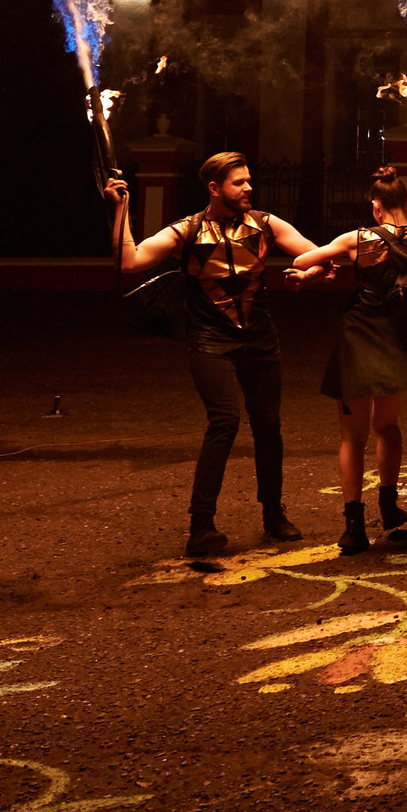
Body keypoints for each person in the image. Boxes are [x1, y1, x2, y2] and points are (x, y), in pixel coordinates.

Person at [106, 152, 324, 558]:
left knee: (268, 426)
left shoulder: (264, 223)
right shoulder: (185, 231)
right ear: (214, 188)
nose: (248, 188)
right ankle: (201, 525)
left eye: (248, 181)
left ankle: (274, 515)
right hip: (209, 340)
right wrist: (121, 208)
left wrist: (308, 272)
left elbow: (316, 254)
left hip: (260, 338)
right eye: (239, 183)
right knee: (223, 422)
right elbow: (129, 261)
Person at [291, 167, 407, 556]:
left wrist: (320, 269)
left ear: (375, 208)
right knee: (388, 426)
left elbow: (306, 257)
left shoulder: (357, 239)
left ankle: (353, 528)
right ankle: (389, 507)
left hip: (359, 339)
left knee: (352, 437)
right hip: (400, 342)